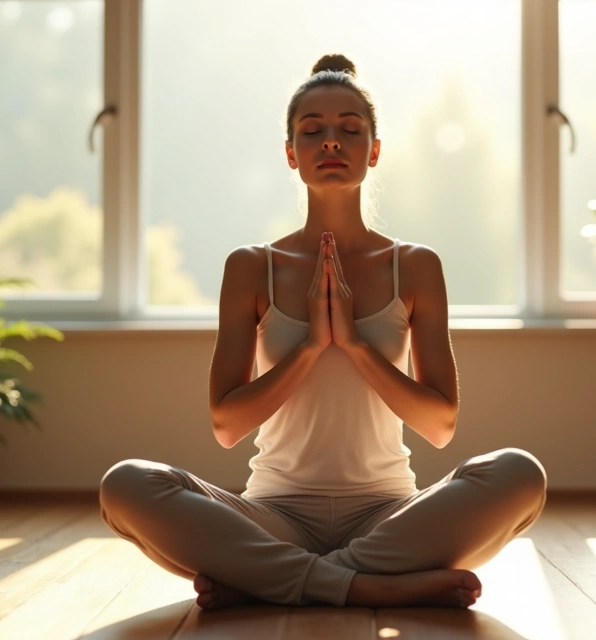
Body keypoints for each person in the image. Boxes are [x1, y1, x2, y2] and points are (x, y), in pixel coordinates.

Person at [99, 54, 547, 610]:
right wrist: (310, 347)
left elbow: (440, 424)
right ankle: (365, 586)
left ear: (373, 151)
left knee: (520, 474)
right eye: (313, 131)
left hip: (389, 515)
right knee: (126, 485)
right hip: (274, 515)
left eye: (349, 130)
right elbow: (226, 423)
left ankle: (277, 581)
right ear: (292, 153)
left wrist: (356, 346)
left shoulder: (416, 266)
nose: (331, 142)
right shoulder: (252, 266)